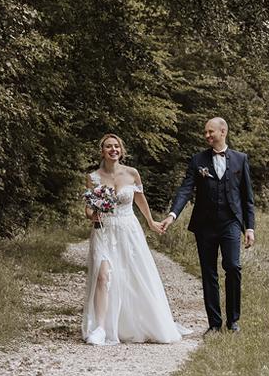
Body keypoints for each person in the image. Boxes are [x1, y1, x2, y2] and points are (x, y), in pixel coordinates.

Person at [82, 133, 190, 345]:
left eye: (116, 146)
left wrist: (150, 221)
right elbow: (88, 207)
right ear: (102, 151)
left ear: (121, 150)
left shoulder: (132, 173)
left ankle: (140, 321)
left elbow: (140, 200)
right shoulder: (93, 177)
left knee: (134, 276)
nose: (113, 149)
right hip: (103, 230)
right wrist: (91, 215)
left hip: (128, 230)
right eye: (108, 146)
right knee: (102, 276)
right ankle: (101, 328)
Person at [162, 117, 255, 335]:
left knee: (233, 267)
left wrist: (249, 228)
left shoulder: (240, 159)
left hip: (231, 222)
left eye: (210, 132)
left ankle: (233, 321)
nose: (206, 136)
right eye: (205, 132)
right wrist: (173, 215)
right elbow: (186, 189)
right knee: (208, 272)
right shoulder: (198, 160)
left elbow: (247, 197)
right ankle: (214, 324)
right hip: (205, 225)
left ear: (223, 131)